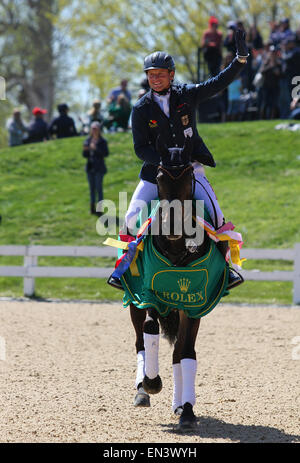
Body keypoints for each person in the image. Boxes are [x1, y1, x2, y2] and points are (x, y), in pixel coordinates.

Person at [108, 29, 249, 291]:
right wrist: (162, 160)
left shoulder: (187, 95)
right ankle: (122, 270)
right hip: (157, 173)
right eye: (151, 75)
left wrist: (239, 59)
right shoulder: (140, 109)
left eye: (160, 74)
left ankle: (228, 270)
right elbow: (140, 148)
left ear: (171, 75)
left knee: (217, 217)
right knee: (129, 218)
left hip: (191, 170)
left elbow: (216, 83)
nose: (155, 79)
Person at [82, 121, 109, 215]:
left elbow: (105, 153)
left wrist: (95, 149)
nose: (94, 130)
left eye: (96, 129)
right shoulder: (88, 140)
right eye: (92, 129)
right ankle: (92, 208)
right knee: (91, 189)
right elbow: (85, 155)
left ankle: (100, 209)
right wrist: (85, 150)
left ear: (99, 130)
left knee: (99, 188)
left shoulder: (103, 141)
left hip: (99, 168)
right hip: (90, 167)